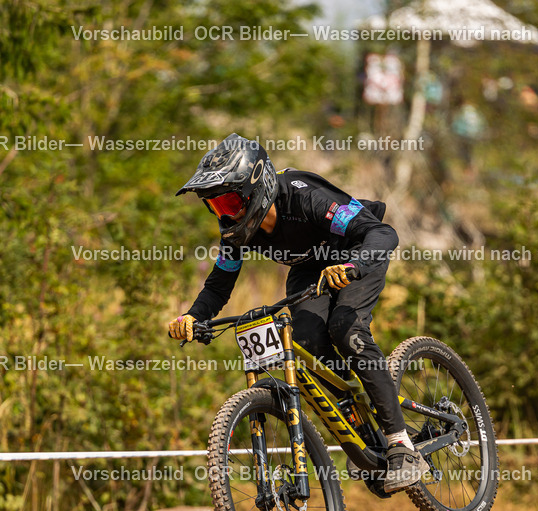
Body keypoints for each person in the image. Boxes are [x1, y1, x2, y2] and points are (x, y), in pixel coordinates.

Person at [167, 134, 428, 492]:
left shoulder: (304, 196)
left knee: (345, 330)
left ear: (254, 186)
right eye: (215, 207)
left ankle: (400, 443)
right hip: (310, 268)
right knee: (305, 339)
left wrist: (353, 265)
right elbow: (219, 284)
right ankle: (362, 431)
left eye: (228, 201)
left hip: (354, 251)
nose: (224, 214)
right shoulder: (236, 233)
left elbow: (381, 233)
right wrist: (194, 318)